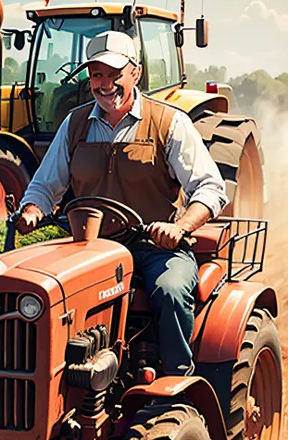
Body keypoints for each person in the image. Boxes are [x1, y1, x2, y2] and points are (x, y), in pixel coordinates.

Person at [16, 30, 228, 377]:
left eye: (115, 74)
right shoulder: (75, 124)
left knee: (171, 291)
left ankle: (177, 379)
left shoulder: (169, 123)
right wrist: (32, 209)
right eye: (97, 74)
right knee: (41, 293)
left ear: (136, 73)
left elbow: (209, 186)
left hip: (156, 245)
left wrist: (179, 227)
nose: (105, 84)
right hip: (89, 246)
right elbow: (44, 184)